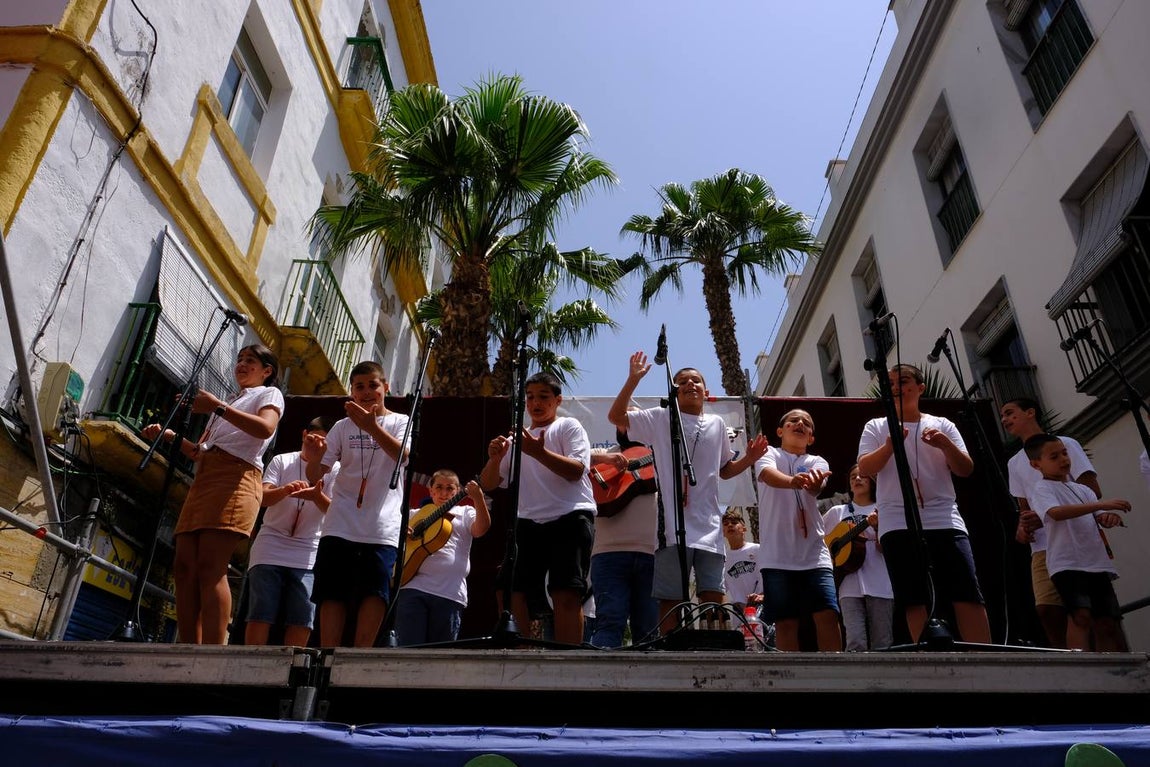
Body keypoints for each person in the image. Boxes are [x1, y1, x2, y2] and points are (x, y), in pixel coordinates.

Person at [607, 353, 767, 635]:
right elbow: (615, 416)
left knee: (712, 596)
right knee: (671, 597)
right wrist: (633, 380)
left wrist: (750, 459)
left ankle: (713, 652)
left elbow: (725, 470)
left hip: (709, 524)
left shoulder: (717, 424)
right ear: (674, 391)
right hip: (671, 525)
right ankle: (672, 651)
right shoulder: (659, 417)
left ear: (706, 391)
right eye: (682, 381)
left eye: (695, 380)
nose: (689, 384)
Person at [142, 344, 284, 645]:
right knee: (183, 567)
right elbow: (198, 451)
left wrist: (217, 406)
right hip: (206, 477)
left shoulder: (268, 395)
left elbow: (265, 429)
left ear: (267, 371)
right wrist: (170, 436)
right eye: (240, 360)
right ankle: (187, 645)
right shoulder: (231, 401)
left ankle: (212, 648)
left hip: (236, 477)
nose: (242, 365)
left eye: (251, 361)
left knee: (210, 565)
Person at [857, 363, 991, 644]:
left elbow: (965, 469)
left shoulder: (942, 424)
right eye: (890, 384)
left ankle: (984, 657)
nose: (895, 388)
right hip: (896, 519)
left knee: (965, 589)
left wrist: (945, 444)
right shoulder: (877, 426)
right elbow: (866, 467)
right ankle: (928, 657)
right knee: (912, 595)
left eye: (902, 381)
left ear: (920, 387)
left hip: (943, 516)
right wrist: (889, 446)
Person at [480, 371, 597, 646]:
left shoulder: (569, 426)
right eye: (530, 397)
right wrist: (495, 459)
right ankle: (522, 654)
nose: (535, 403)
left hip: (570, 516)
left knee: (566, 591)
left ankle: (567, 662)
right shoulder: (516, 438)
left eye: (543, 397)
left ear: (558, 400)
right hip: (528, 522)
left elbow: (577, 471)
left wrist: (539, 452)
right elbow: (489, 482)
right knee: (508, 589)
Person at [306, 360, 409, 648]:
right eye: (359, 387)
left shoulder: (401, 421)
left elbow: (402, 456)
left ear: (385, 387)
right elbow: (317, 475)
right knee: (332, 592)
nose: (366, 392)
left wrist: (372, 427)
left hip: (381, 526)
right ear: (351, 392)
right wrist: (314, 459)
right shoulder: (341, 426)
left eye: (372, 385)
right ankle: (327, 656)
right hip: (340, 523)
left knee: (374, 592)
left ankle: (359, 656)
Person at [1001, 397, 1101, 649]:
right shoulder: (1014, 462)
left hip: (1077, 539)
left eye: (1010, 413)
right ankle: (1068, 660)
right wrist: (1023, 527)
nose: (1004, 420)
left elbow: (1092, 489)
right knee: (1047, 608)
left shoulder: (1066, 444)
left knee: (1094, 613)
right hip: (1043, 547)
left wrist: (1051, 509)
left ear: (1030, 412)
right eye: (1002, 416)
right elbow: (1024, 509)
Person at [1024, 434, 1130, 651]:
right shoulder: (1042, 489)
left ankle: (1112, 671)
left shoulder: (1084, 490)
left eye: (1064, 453)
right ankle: (1083, 665)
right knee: (1080, 616)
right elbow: (1055, 513)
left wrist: (1109, 517)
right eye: (1054, 456)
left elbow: (1099, 516)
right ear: (1036, 464)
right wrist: (1099, 506)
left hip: (1095, 562)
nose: (1063, 459)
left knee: (1107, 621)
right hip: (1067, 563)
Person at [755, 408, 841, 652]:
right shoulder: (768, 453)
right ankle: (790, 683)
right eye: (793, 420)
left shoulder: (816, 461)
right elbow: (767, 475)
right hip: (777, 556)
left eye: (806, 422)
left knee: (827, 615)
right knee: (786, 622)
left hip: (814, 555)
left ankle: (837, 678)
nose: (800, 423)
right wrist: (792, 481)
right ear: (780, 431)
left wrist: (813, 485)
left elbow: (817, 486)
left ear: (811, 437)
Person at [243, 416, 335, 646]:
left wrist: (317, 496)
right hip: (270, 544)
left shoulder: (336, 471)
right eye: (313, 440)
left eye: (323, 444)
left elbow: (336, 514)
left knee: (303, 616)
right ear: (304, 435)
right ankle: (250, 664)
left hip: (308, 551)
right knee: (260, 611)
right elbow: (262, 498)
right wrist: (284, 490)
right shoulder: (282, 461)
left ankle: (291, 669)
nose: (316, 447)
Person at [394, 469, 490, 646]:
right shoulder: (414, 515)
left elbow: (480, 529)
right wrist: (400, 534)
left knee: (439, 654)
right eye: (439, 487)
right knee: (408, 650)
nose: (444, 493)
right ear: (431, 490)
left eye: (450, 488)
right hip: (412, 588)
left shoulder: (465, 512)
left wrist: (478, 498)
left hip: (449, 592)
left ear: (456, 492)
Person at [587, 429, 660, 648]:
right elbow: (575, 455)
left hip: (651, 553)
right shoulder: (604, 452)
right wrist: (605, 458)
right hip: (607, 554)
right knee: (609, 625)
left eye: (636, 420)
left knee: (648, 632)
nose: (630, 425)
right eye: (624, 421)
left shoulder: (661, 456)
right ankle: (602, 680)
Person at [822, 465, 894, 651]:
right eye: (853, 476)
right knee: (854, 641)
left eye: (863, 476)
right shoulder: (837, 512)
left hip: (880, 581)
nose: (857, 479)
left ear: (873, 482)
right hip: (848, 584)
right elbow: (820, 543)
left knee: (882, 641)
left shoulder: (883, 509)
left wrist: (878, 528)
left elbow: (887, 548)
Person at [721, 508, 762, 613]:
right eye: (725, 524)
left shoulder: (758, 549)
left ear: (744, 528)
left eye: (734, 523)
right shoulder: (723, 559)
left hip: (762, 607)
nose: (730, 525)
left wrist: (763, 596)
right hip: (740, 613)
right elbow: (721, 590)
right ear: (723, 532)